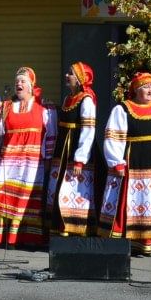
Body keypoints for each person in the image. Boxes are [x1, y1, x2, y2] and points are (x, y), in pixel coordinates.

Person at [98, 72, 151, 256]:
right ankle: (141, 241)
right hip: (137, 164)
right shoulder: (123, 109)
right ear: (136, 90)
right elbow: (113, 137)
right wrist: (117, 162)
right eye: (146, 87)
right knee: (141, 201)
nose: (150, 90)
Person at [0, 66, 56, 249]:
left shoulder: (44, 107)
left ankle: (26, 239)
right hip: (9, 160)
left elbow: (51, 135)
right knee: (5, 195)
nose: (18, 84)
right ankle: (3, 238)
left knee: (26, 198)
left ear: (31, 85)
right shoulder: (6, 106)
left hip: (32, 162)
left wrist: (48, 159)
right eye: (17, 82)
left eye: (22, 81)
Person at [47, 61, 97, 236]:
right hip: (63, 146)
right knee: (59, 186)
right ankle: (60, 226)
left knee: (74, 188)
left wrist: (80, 158)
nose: (67, 76)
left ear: (81, 78)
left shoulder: (87, 99)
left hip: (75, 147)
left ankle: (76, 227)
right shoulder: (69, 98)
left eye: (71, 73)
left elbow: (88, 130)